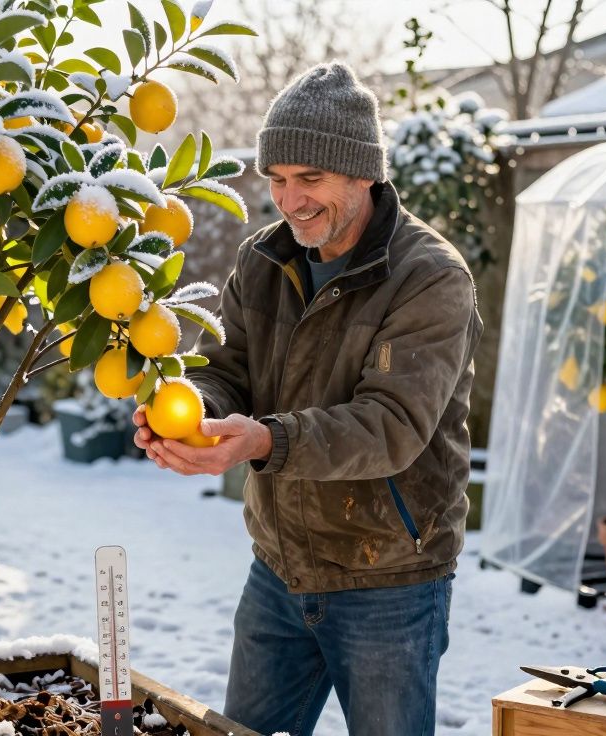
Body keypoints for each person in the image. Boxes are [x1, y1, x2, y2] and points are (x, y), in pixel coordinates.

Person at [132, 62, 483, 736]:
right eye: (278, 180)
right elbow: (225, 369)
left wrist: (266, 440)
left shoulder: (429, 279)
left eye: (310, 180)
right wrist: (190, 409)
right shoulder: (263, 260)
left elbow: (391, 427)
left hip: (389, 581)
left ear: (363, 173)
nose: (290, 201)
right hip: (279, 571)